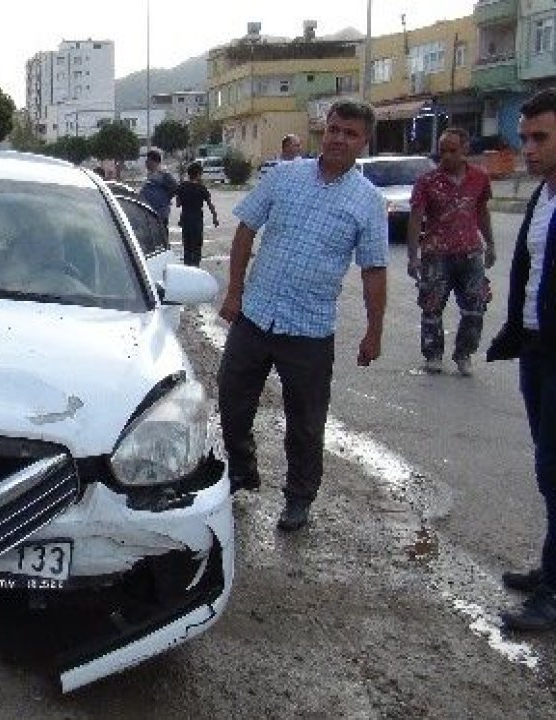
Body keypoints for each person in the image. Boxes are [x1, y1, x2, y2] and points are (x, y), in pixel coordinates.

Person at [217, 99, 388, 532]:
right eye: (334, 129)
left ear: (364, 141)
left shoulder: (368, 202)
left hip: (310, 331)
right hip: (255, 316)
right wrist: (234, 292)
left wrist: (374, 331)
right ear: (323, 132)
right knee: (232, 402)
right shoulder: (285, 176)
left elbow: (373, 269)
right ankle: (242, 468)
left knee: (306, 425)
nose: (338, 138)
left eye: (350, 133)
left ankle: (298, 499)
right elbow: (245, 231)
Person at [488, 89, 556, 631]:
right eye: (526, 137)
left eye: (541, 138)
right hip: (535, 347)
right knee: (547, 467)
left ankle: (553, 592)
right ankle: (551, 569)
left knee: (555, 470)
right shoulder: (542, 198)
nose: (528, 149)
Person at [406, 128, 494, 376]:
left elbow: (482, 213)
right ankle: (433, 354)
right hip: (436, 255)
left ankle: (464, 353)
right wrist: (413, 257)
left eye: (452, 150)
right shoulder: (427, 181)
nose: (446, 156)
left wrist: (491, 244)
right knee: (431, 307)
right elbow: (416, 218)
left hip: (470, 253)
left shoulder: (479, 178)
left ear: (465, 149)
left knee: (475, 307)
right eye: (442, 150)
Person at [175, 161, 219, 267]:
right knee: (197, 246)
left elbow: (178, 204)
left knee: (187, 245)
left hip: (185, 219)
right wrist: (215, 217)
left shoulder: (182, 186)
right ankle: (196, 266)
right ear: (198, 174)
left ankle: (187, 267)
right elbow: (210, 205)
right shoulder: (202, 188)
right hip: (197, 221)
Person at [140, 149, 178, 225]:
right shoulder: (149, 175)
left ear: (154, 162)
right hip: (149, 213)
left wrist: (164, 199)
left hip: (160, 214)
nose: (146, 163)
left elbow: (175, 188)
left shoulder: (164, 175)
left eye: (148, 160)